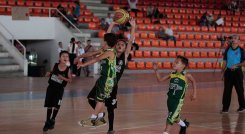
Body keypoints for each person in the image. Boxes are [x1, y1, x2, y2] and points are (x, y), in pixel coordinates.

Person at [85, 19, 136, 134]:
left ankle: (111, 129)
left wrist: (133, 27)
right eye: (118, 44)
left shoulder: (125, 56)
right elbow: (107, 37)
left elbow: (131, 41)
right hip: (102, 81)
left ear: (124, 48)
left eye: (122, 45)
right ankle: (100, 114)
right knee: (90, 99)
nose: (120, 45)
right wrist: (112, 24)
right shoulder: (110, 53)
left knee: (111, 108)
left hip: (113, 86)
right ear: (115, 45)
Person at [77, 33, 118, 127]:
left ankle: (92, 119)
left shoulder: (110, 52)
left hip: (108, 79)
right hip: (103, 78)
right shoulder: (105, 49)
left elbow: (96, 59)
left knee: (100, 100)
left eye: (103, 40)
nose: (101, 41)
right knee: (98, 99)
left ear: (106, 42)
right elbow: (92, 53)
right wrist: (80, 56)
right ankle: (100, 118)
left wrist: (83, 65)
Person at [153, 55, 197, 134]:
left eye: (177, 62)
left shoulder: (186, 75)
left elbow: (194, 81)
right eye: (174, 62)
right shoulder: (172, 74)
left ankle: (166, 132)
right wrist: (156, 70)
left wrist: (194, 94)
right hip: (169, 100)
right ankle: (184, 125)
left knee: (170, 119)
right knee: (175, 117)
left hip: (178, 101)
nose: (174, 63)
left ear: (183, 65)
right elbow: (160, 80)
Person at [42, 51, 72, 132]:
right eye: (63, 56)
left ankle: (53, 119)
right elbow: (51, 72)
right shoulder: (55, 65)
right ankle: (47, 122)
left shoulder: (68, 69)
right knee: (49, 105)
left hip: (59, 90)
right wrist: (48, 73)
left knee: (56, 105)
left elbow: (70, 80)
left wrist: (63, 78)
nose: (65, 57)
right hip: (51, 88)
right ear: (59, 58)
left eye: (67, 56)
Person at [221, 35, 245, 113]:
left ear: (238, 41)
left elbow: (244, 62)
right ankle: (225, 108)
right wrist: (222, 73)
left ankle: (242, 107)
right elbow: (224, 61)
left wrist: (236, 65)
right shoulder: (227, 49)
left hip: (237, 72)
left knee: (240, 90)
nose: (233, 40)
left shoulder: (241, 50)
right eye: (232, 38)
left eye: (235, 38)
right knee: (227, 90)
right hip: (228, 72)